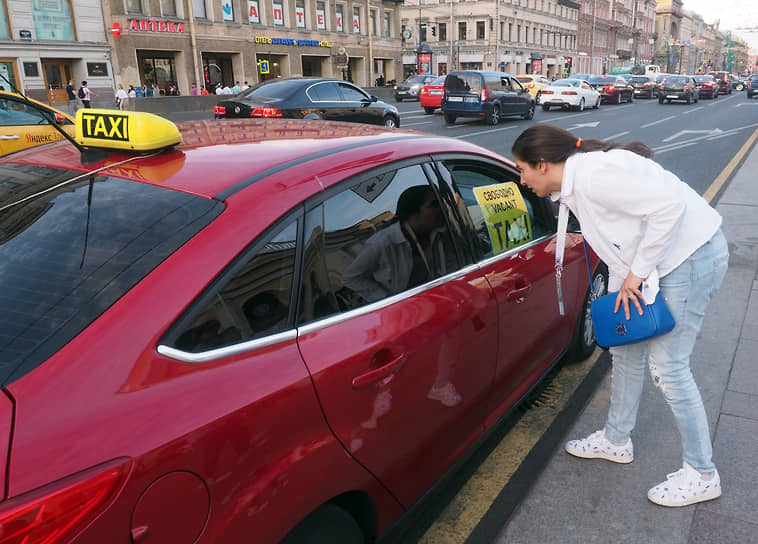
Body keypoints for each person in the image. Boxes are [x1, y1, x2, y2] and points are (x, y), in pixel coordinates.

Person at [511, 124, 729, 508]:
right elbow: (622, 238)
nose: (522, 179)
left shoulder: (595, 178)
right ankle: (616, 440)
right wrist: (619, 292)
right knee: (624, 346)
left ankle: (702, 473)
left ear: (542, 165)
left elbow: (668, 208)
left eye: (523, 169)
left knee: (669, 367)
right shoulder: (576, 185)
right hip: (661, 260)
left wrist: (636, 275)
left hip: (691, 257)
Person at [341, 185, 453, 303]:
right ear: (412, 213)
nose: (443, 208)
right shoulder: (381, 243)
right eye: (434, 204)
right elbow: (351, 277)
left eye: (442, 202)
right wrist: (386, 299)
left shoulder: (443, 233)